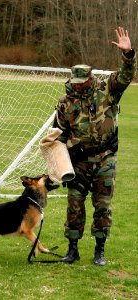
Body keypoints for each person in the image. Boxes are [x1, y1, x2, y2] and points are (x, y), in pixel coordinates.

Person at [52, 27, 136, 265]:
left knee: (103, 207)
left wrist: (128, 54)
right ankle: (72, 249)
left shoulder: (107, 89)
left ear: (90, 78)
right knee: (74, 206)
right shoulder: (65, 103)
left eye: (82, 82)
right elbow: (57, 135)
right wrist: (60, 163)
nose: (78, 86)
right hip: (78, 162)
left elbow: (126, 75)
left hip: (105, 158)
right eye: (74, 83)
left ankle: (100, 250)